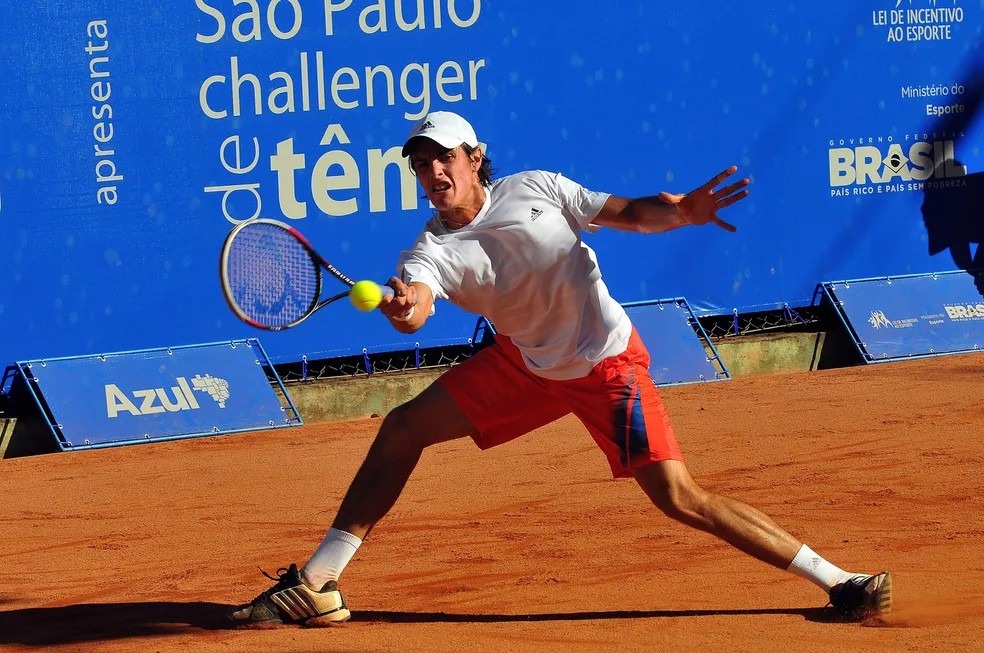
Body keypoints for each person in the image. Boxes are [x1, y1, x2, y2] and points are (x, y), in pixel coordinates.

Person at [229, 110, 892, 626]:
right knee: (402, 428)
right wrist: (405, 307)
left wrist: (682, 213)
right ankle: (318, 583)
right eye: (421, 163)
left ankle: (838, 580)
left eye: (444, 157)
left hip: (608, 367)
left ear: (474, 158)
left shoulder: (538, 188)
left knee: (680, 496)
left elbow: (629, 212)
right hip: (526, 367)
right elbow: (417, 309)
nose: (433, 171)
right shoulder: (427, 250)